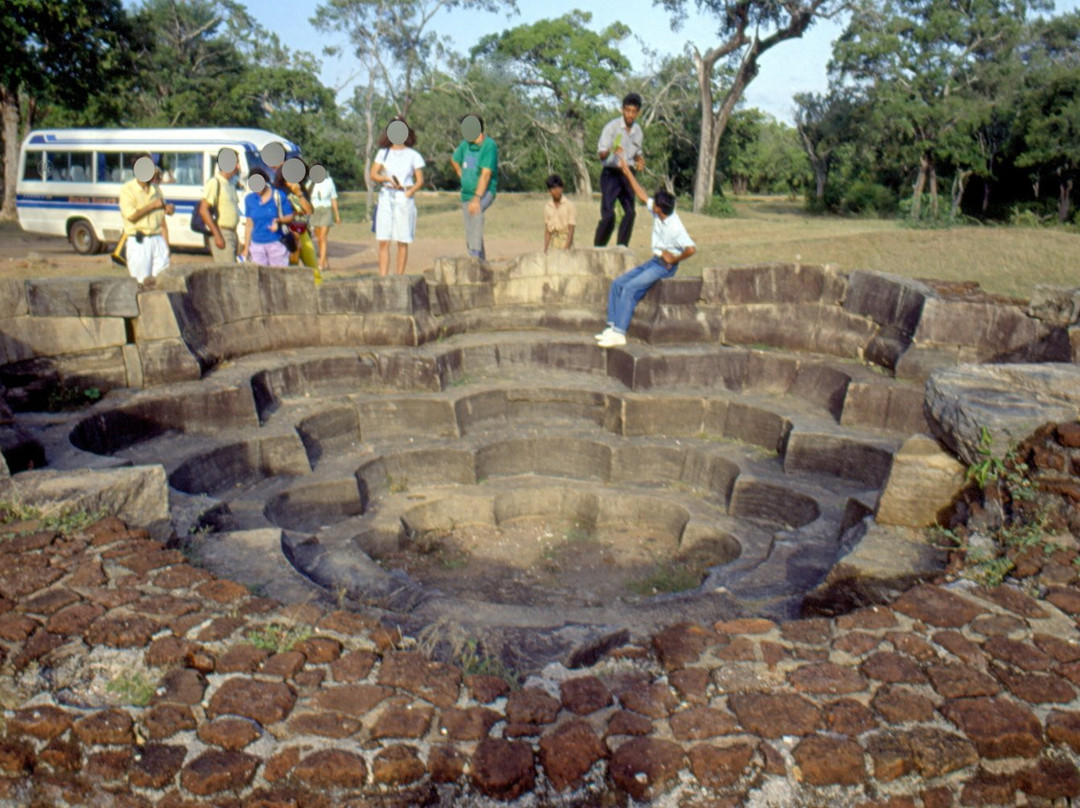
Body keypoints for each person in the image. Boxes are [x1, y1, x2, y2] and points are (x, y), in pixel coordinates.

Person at [595, 154, 696, 348]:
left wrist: (675, 258)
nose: (652, 206)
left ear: (659, 209)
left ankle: (619, 333)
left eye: (654, 206)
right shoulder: (661, 213)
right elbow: (641, 194)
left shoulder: (675, 227)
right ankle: (612, 326)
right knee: (617, 284)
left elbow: (691, 249)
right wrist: (626, 171)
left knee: (630, 289)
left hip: (664, 266)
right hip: (654, 261)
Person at [370, 118, 426, 276]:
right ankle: (383, 277)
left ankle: (399, 277)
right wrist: (387, 179)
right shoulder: (383, 153)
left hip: (404, 197)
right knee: (383, 240)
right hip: (387, 195)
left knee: (402, 240)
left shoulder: (413, 155)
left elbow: (420, 180)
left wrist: (410, 191)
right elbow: (373, 174)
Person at [594, 92, 645, 248]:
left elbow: (637, 153)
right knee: (609, 215)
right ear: (622, 110)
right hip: (611, 173)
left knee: (630, 213)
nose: (630, 115)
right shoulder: (612, 127)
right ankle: (599, 247)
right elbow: (601, 156)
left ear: (638, 113)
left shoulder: (638, 131)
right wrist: (611, 150)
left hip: (628, 173)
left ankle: (622, 248)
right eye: (627, 110)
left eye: (633, 111)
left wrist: (640, 160)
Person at [118, 153, 174, 288]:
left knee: (162, 281)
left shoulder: (156, 189)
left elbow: (161, 216)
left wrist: (168, 209)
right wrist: (152, 206)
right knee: (142, 283)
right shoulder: (127, 190)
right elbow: (131, 215)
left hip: (157, 238)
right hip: (140, 241)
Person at [451, 114, 497, 260]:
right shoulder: (465, 144)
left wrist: (477, 198)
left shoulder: (489, 146)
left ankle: (475, 256)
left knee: (475, 212)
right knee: (470, 229)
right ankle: (480, 261)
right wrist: (461, 174)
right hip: (466, 193)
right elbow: (454, 159)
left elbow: (486, 175)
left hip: (485, 192)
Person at [240, 167, 294, 267]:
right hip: (257, 245)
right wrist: (246, 248)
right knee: (259, 277)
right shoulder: (249, 199)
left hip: (276, 243)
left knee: (278, 276)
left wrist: (279, 220)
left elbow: (290, 216)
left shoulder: (278, 196)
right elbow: (249, 225)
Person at [198, 149, 241, 265]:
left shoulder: (230, 184)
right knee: (228, 271)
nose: (238, 166)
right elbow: (203, 209)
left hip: (232, 232)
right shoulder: (215, 182)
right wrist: (217, 235)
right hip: (222, 231)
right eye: (236, 162)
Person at [277, 169, 316, 269]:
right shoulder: (280, 191)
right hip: (287, 232)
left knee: (312, 265)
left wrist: (299, 193)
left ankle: (317, 283)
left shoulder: (301, 189)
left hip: (302, 230)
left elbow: (309, 211)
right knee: (290, 265)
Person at [309, 168, 341, 272]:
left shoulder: (329, 183)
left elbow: (333, 198)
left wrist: (337, 215)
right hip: (314, 211)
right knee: (319, 238)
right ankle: (325, 261)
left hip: (326, 210)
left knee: (323, 236)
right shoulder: (310, 183)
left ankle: (321, 263)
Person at [543, 174, 576, 252]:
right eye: (553, 189)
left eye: (558, 188)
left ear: (562, 188)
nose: (556, 191)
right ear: (549, 191)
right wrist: (545, 249)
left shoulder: (569, 205)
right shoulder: (548, 207)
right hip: (553, 243)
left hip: (565, 241)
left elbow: (571, 229)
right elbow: (547, 230)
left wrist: (566, 248)